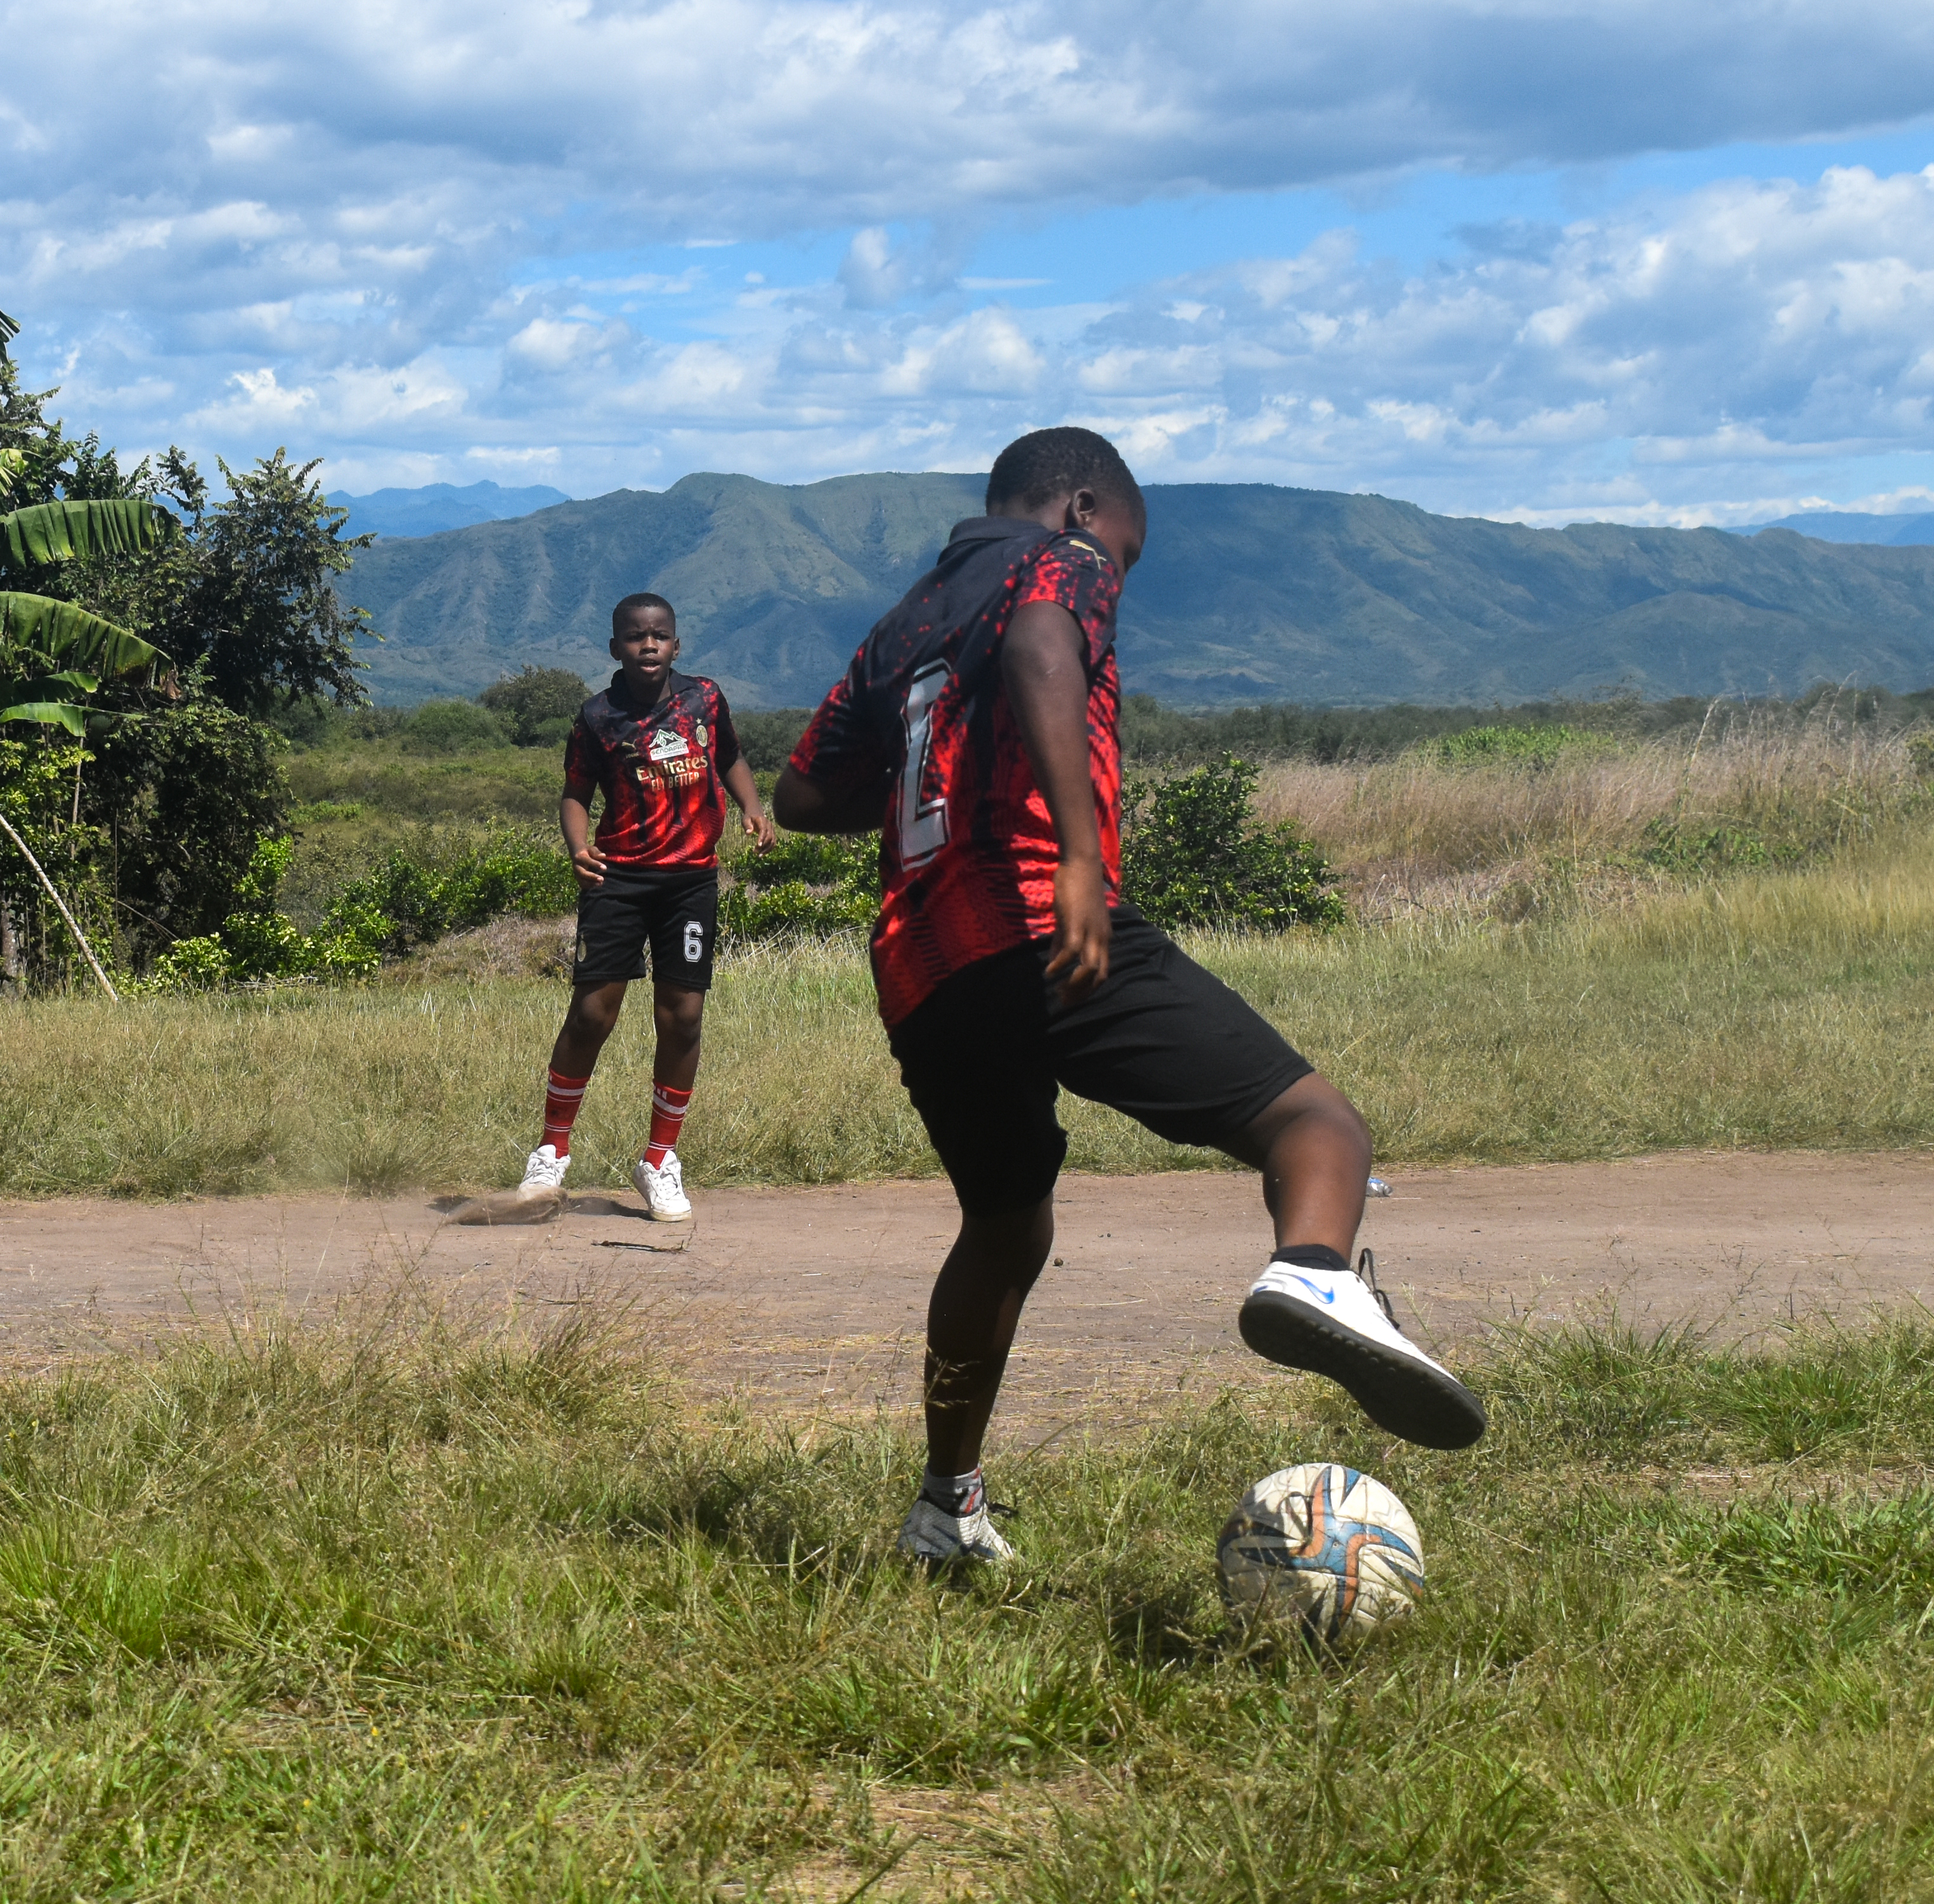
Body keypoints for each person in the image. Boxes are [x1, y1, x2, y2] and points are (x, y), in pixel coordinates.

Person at [774, 427, 1486, 1565]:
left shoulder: (903, 622)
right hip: (1033, 921)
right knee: (1315, 1125)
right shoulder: (1058, 563)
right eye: (1126, 550)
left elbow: (804, 792)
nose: (1119, 573)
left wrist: (939, 781)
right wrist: (1077, 859)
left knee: (1003, 1226)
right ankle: (1317, 1278)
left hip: (920, 968)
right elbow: (1044, 642)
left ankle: (944, 1510)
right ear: (1081, 506)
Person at [517, 594, 775, 1223]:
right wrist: (577, 846)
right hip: (619, 881)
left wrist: (752, 805)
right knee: (590, 1014)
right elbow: (575, 792)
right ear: (616, 648)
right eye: (636, 636)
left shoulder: (705, 700)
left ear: (677, 645)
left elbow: (731, 755)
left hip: (689, 882)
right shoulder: (598, 716)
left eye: (660, 634)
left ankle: (659, 1160)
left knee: (683, 1016)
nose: (649, 644)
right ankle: (551, 1152)